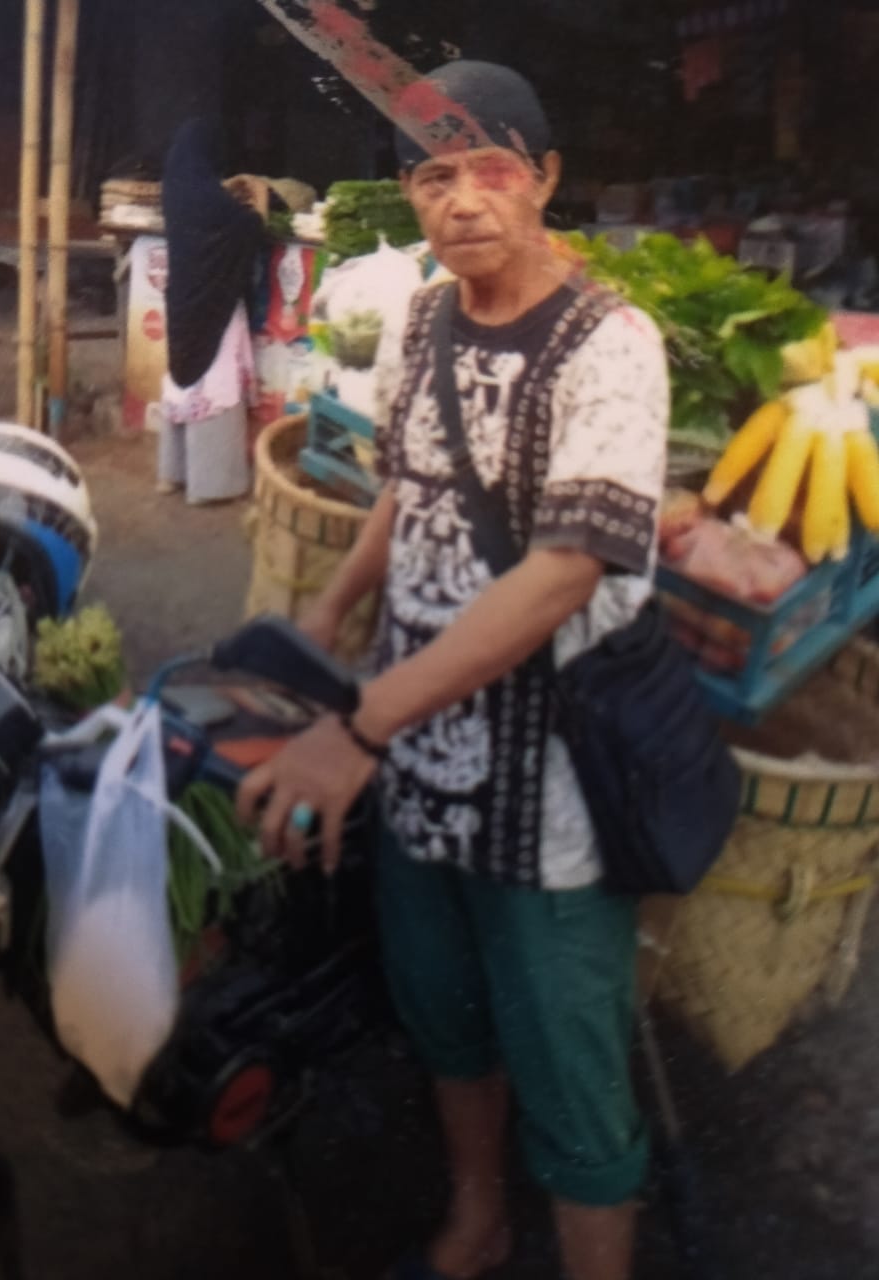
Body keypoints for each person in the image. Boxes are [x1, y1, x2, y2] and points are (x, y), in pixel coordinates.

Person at [238, 60, 669, 1280]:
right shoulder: (424, 319)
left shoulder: (612, 343)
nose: (464, 199)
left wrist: (357, 725)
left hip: (552, 792)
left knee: (569, 1061)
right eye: (435, 176)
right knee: (444, 1012)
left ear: (545, 178)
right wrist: (333, 605)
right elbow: (411, 482)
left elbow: (566, 571)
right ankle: (479, 1217)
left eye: (492, 169)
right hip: (421, 763)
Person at [158, 118, 267, 505]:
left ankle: (173, 473)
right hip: (213, 309)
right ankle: (212, 485)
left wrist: (225, 192)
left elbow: (212, 220)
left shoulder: (176, 188)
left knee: (181, 383)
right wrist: (259, 200)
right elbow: (249, 228)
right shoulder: (209, 198)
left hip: (182, 302)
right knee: (214, 380)